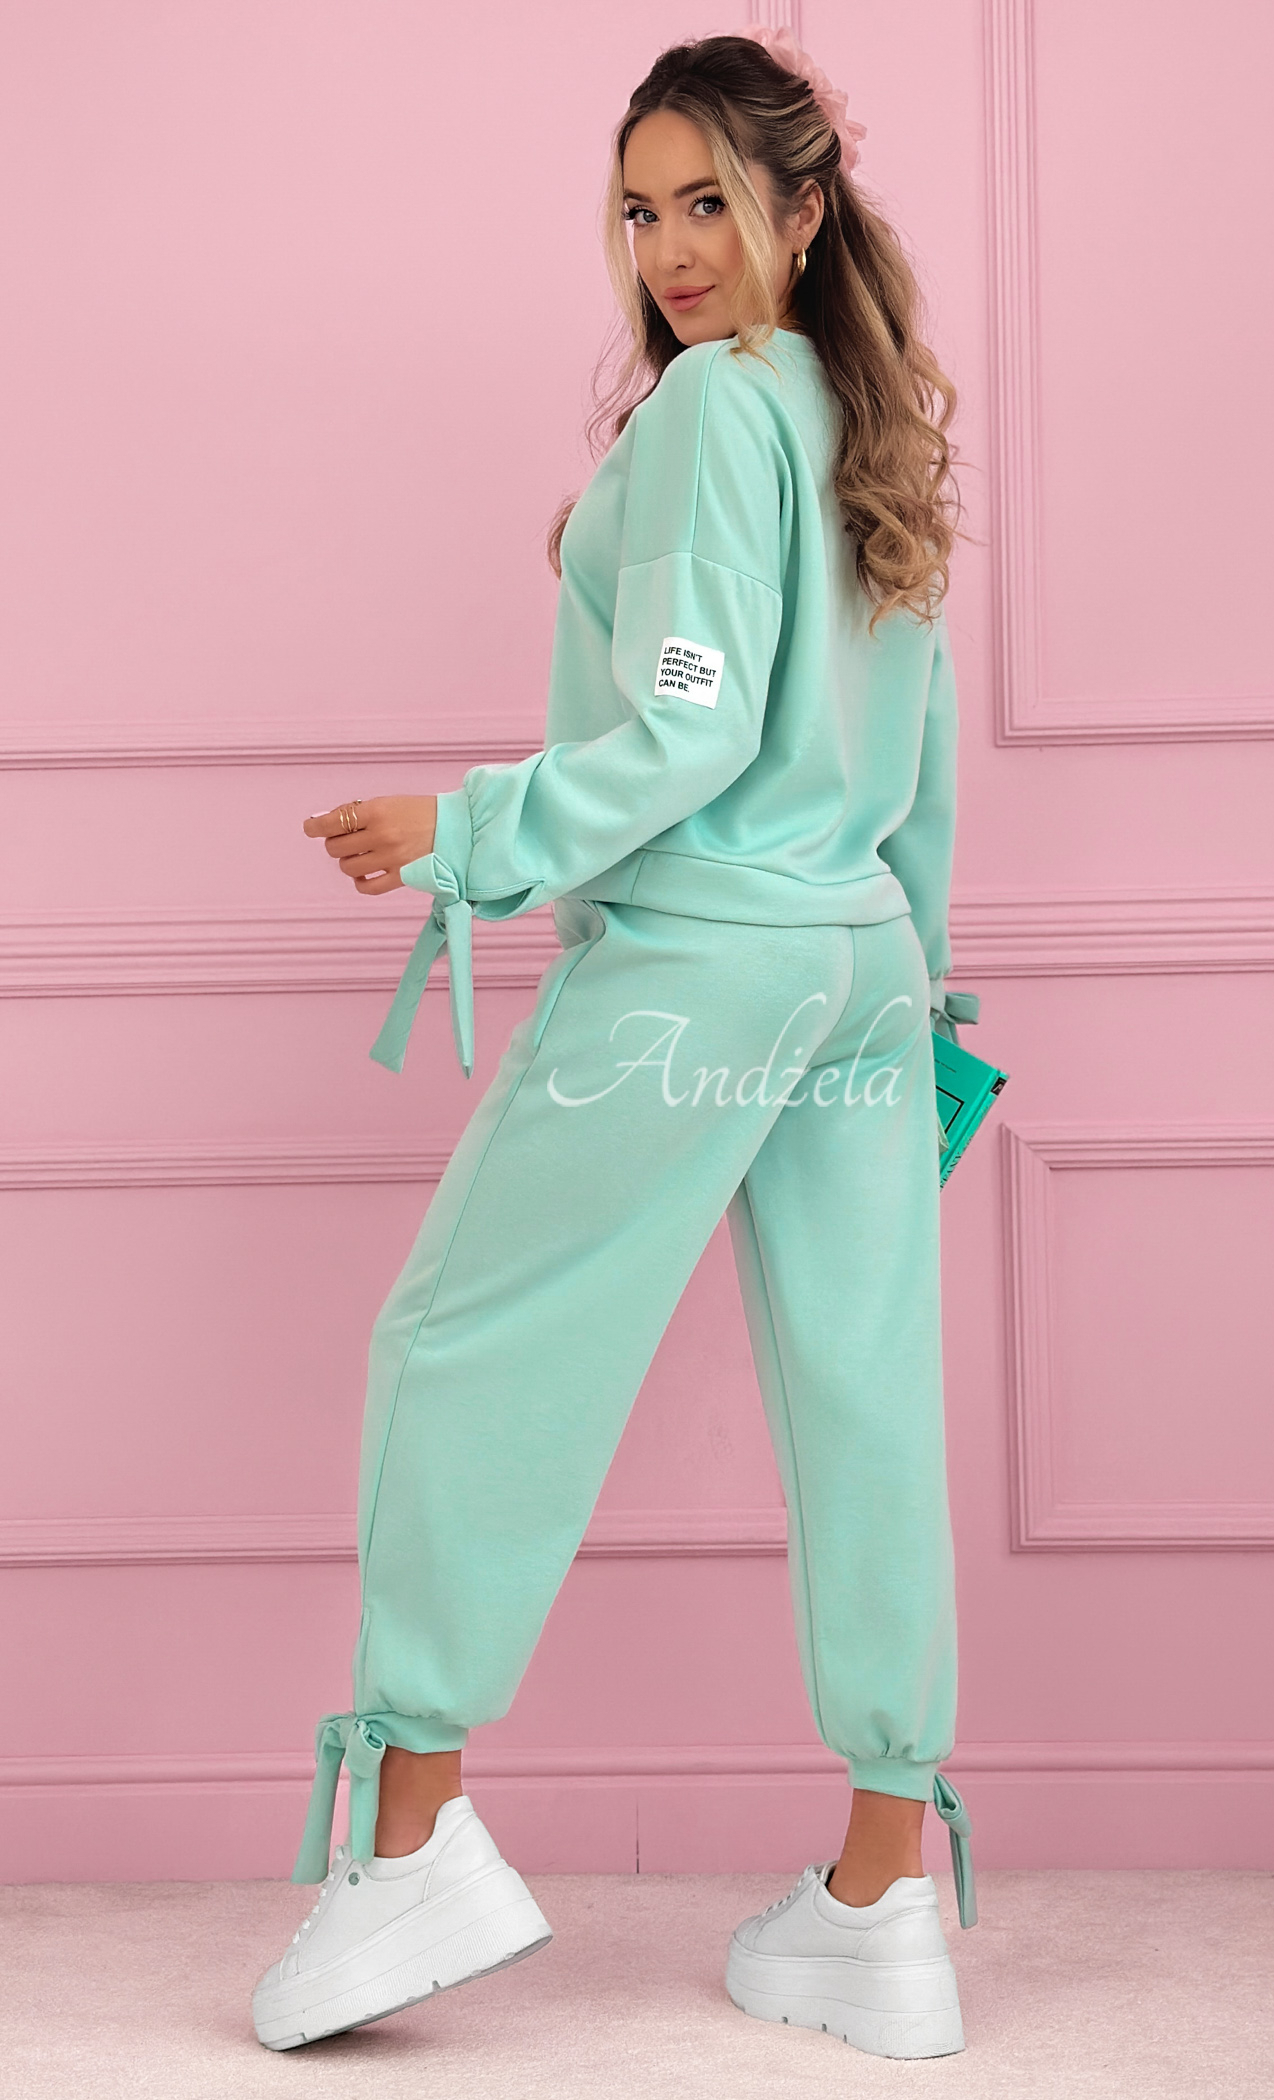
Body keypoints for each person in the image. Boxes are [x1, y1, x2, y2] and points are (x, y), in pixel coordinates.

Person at [251, 24, 982, 2064]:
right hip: (860, 961)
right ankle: (886, 1893)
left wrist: (468, 832)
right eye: (642, 210)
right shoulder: (868, 415)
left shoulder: (717, 411)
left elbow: (685, 725)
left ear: (802, 209)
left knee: (465, 1341)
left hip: (709, 964)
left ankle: (412, 1837)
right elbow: (915, 758)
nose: (670, 247)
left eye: (708, 202)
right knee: (867, 1399)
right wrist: (923, 992)